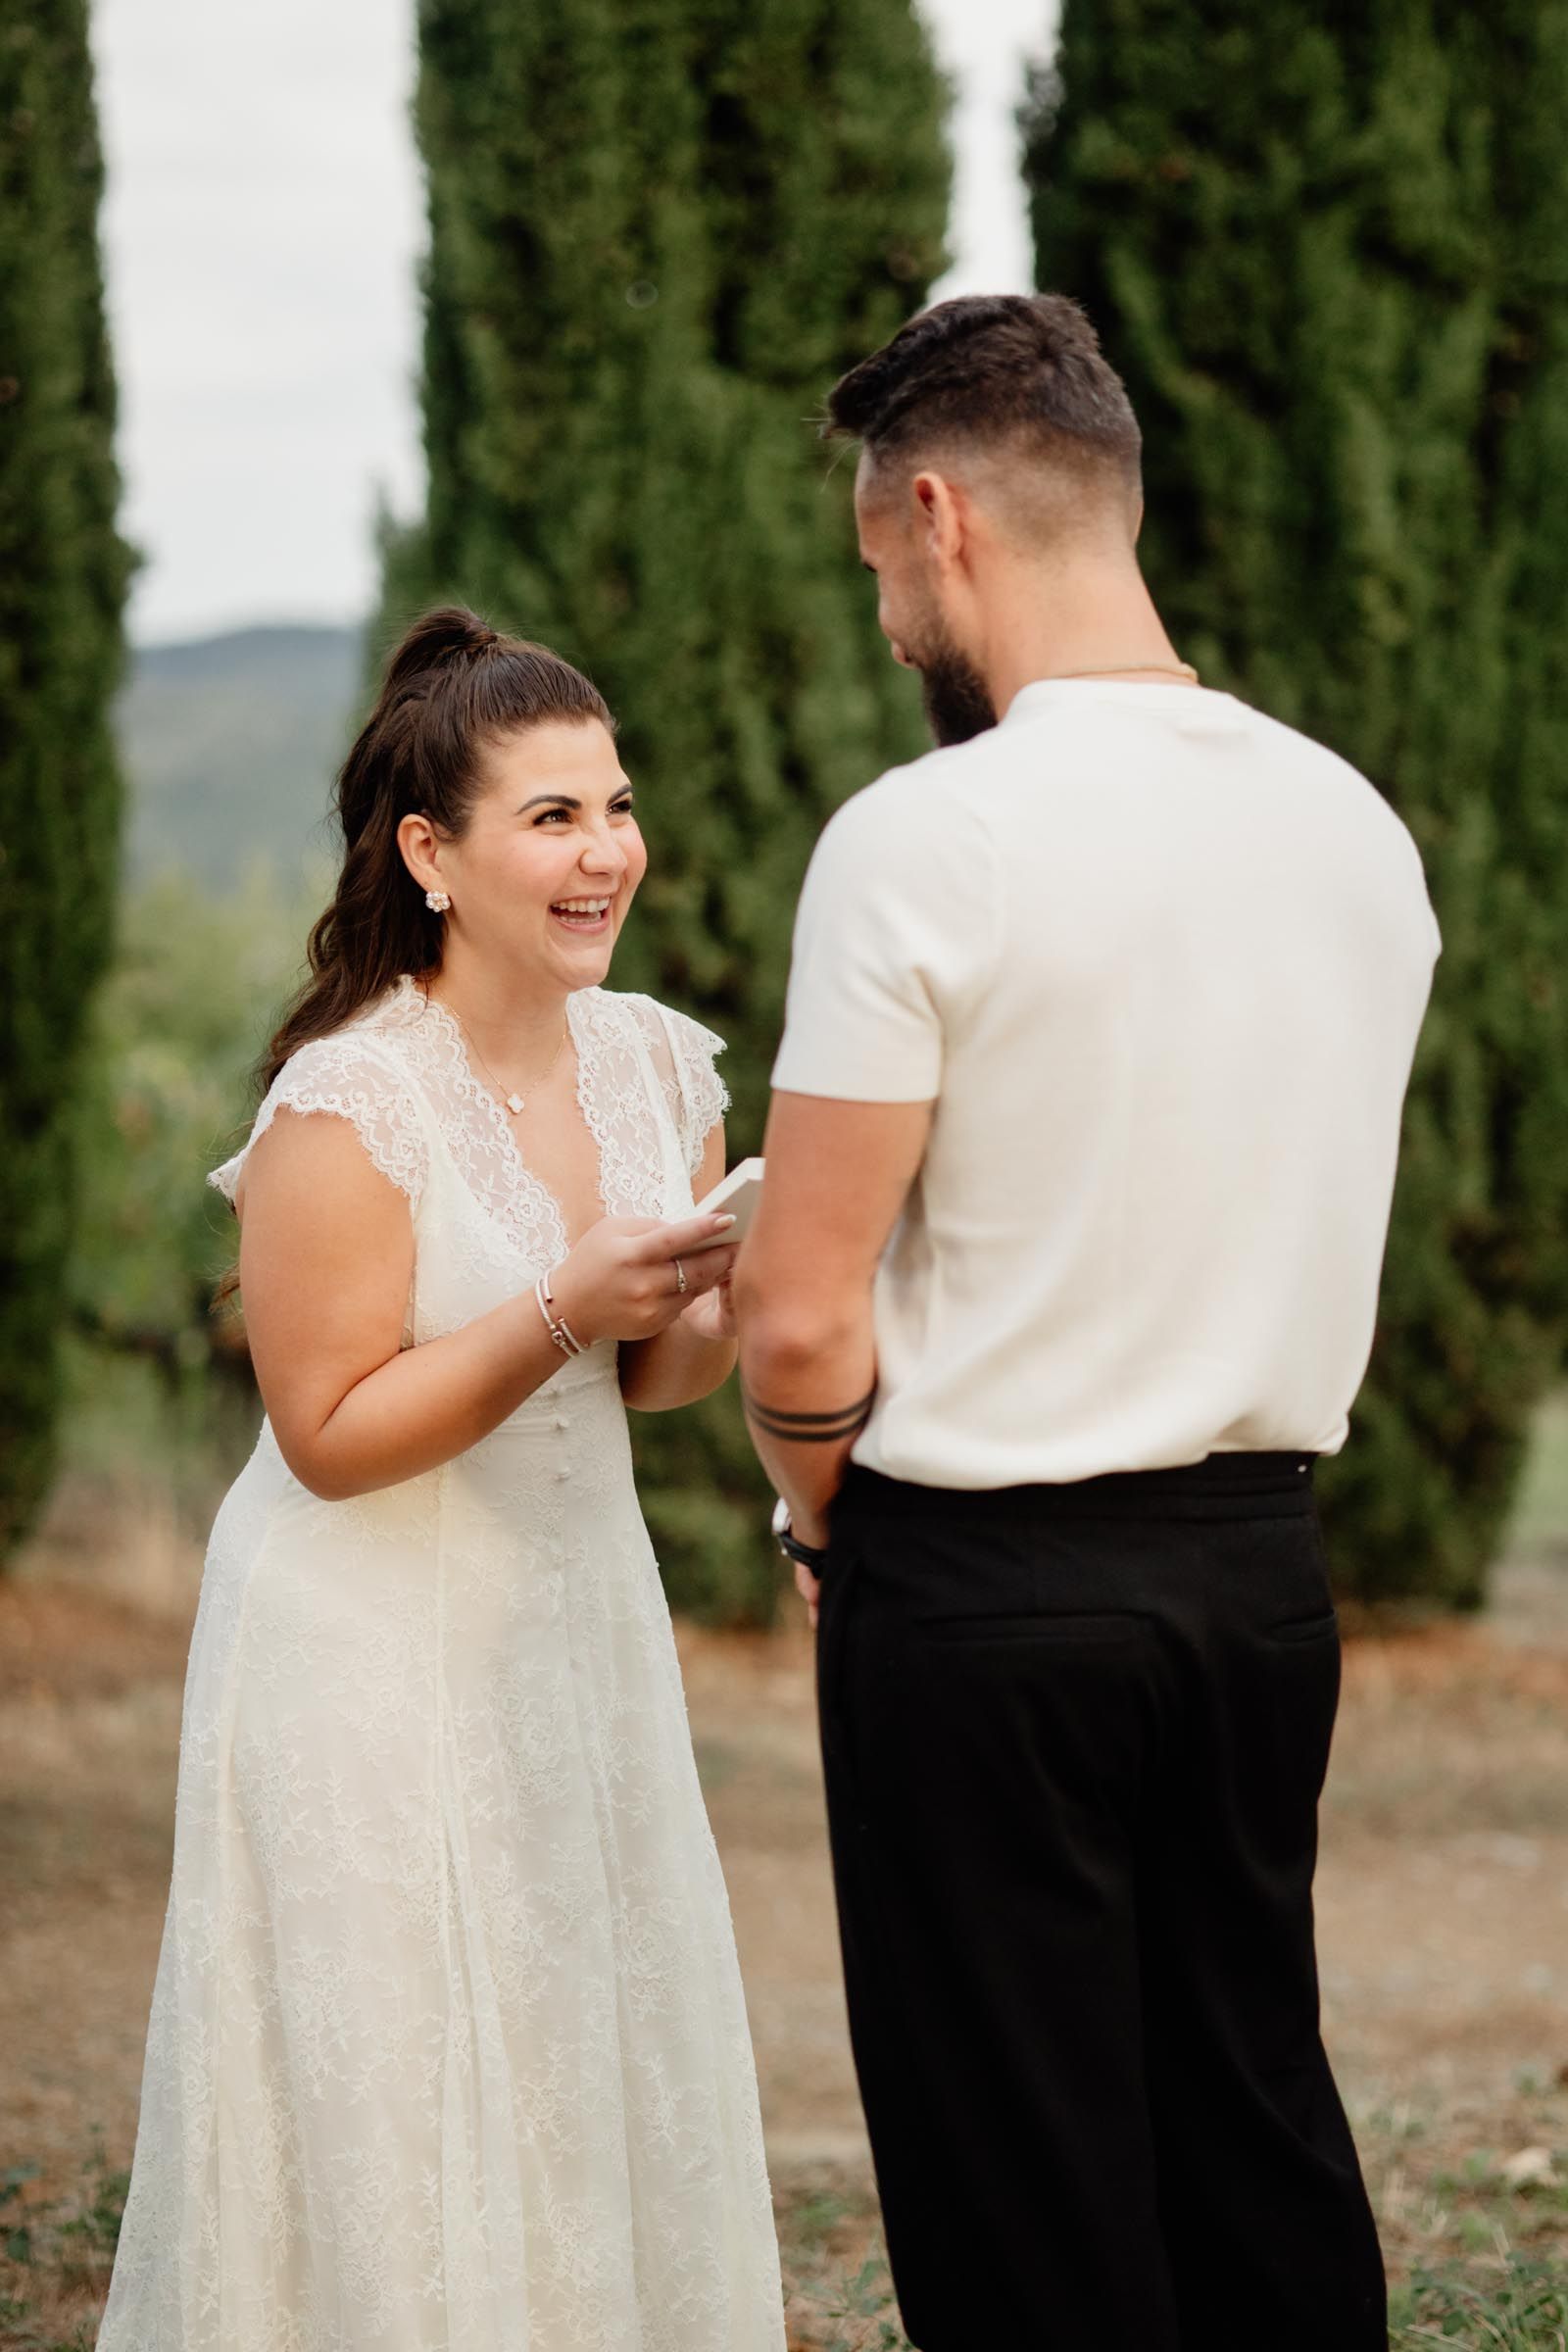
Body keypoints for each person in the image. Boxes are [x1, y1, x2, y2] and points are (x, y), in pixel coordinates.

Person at [736, 294, 1440, 2351]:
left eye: (876, 571)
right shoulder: (1349, 827)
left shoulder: (924, 836)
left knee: (1021, 2178)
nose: (884, 625)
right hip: (1252, 1578)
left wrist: (809, 1518)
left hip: (981, 1593)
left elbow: (794, 1317)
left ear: (938, 517)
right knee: (1247, 2122)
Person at [97, 608, 785, 2352]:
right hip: (359, 1643)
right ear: (431, 853)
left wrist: (718, 1280)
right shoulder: (346, 1103)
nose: (605, 852)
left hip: (574, 1622)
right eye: (552, 816)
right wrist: (562, 1305)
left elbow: (661, 1381)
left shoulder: (657, 1061)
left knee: (574, 2027)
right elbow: (325, 1437)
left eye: (614, 806)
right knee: (399, 2063)